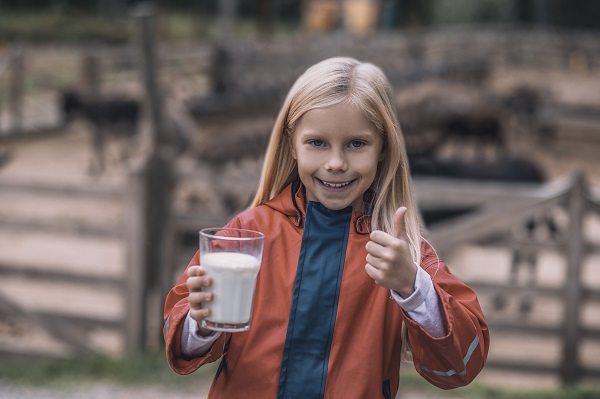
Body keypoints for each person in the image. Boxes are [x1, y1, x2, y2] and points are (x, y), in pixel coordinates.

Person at [164, 57, 490, 398]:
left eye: (356, 144)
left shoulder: (400, 253)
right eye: (317, 143)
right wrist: (199, 322)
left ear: (383, 148)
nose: (336, 163)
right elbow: (180, 342)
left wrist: (413, 288)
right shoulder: (247, 232)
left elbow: (464, 363)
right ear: (292, 144)